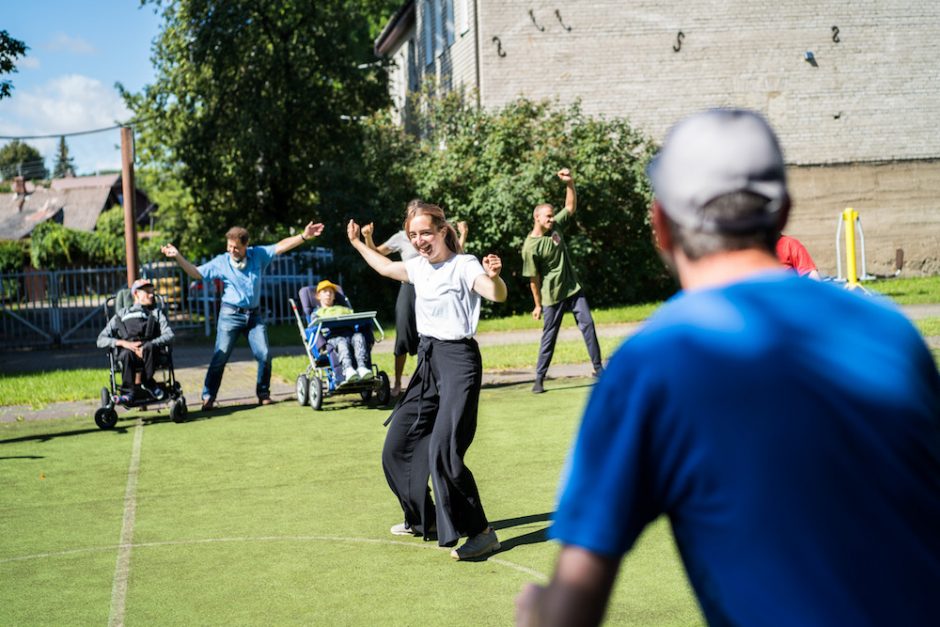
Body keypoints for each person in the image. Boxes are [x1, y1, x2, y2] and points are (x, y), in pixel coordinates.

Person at [516, 109, 940, 626]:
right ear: (782, 213)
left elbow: (573, 607)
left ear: (662, 225)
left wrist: (537, 613)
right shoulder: (891, 330)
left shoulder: (654, 361)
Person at [347, 202, 507, 561]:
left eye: (426, 233)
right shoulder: (419, 267)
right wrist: (358, 244)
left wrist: (494, 278)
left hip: (458, 363)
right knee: (396, 447)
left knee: (444, 452)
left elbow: (493, 292)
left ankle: (482, 532)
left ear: (442, 230)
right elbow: (386, 267)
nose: (420, 240)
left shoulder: (464, 265)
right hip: (428, 361)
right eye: (414, 234)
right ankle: (426, 519)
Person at [161, 221, 324, 409]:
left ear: (246, 245)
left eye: (236, 247)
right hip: (230, 315)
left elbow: (280, 246)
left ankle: (263, 393)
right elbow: (196, 273)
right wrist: (178, 256)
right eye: (229, 246)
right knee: (219, 357)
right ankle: (208, 397)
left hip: (254, 316)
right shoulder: (221, 262)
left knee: (264, 354)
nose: (231, 250)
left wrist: (303, 236)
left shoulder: (258, 255)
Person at [362, 212, 468, 396]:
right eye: (413, 232)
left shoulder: (434, 238)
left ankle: (431, 382)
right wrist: (365, 238)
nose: (418, 238)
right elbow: (378, 255)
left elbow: (455, 256)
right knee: (403, 336)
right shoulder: (401, 237)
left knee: (430, 334)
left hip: (430, 286)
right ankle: (397, 383)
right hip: (408, 287)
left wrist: (463, 235)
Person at [522, 168, 603, 394]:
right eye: (547, 216)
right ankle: (539, 379)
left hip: (573, 289)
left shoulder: (555, 226)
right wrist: (537, 305)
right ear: (536, 217)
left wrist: (570, 183)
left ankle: (598, 369)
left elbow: (569, 207)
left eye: (551, 215)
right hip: (551, 296)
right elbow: (533, 279)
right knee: (549, 337)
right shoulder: (530, 247)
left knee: (588, 325)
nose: (551, 218)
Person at [97, 278, 174, 403]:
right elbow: (101, 339)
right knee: (126, 353)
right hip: (128, 352)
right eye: (147, 292)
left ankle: (148, 382)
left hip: (150, 351)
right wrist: (123, 343)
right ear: (136, 294)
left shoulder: (156, 313)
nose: (152, 295)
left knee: (150, 347)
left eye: (152, 292)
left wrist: (149, 344)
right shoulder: (122, 314)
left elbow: (169, 335)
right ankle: (127, 392)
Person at [308, 279, 373, 385]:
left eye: (331, 292)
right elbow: (313, 329)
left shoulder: (343, 309)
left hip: (349, 335)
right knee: (341, 341)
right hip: (332, 338)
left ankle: (362, 368)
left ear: (334, 296)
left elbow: (356, 319)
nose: (328, 294)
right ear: (318, 296)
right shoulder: (317, 314)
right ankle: (347, 369)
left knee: (359, 336)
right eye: (325, 291)